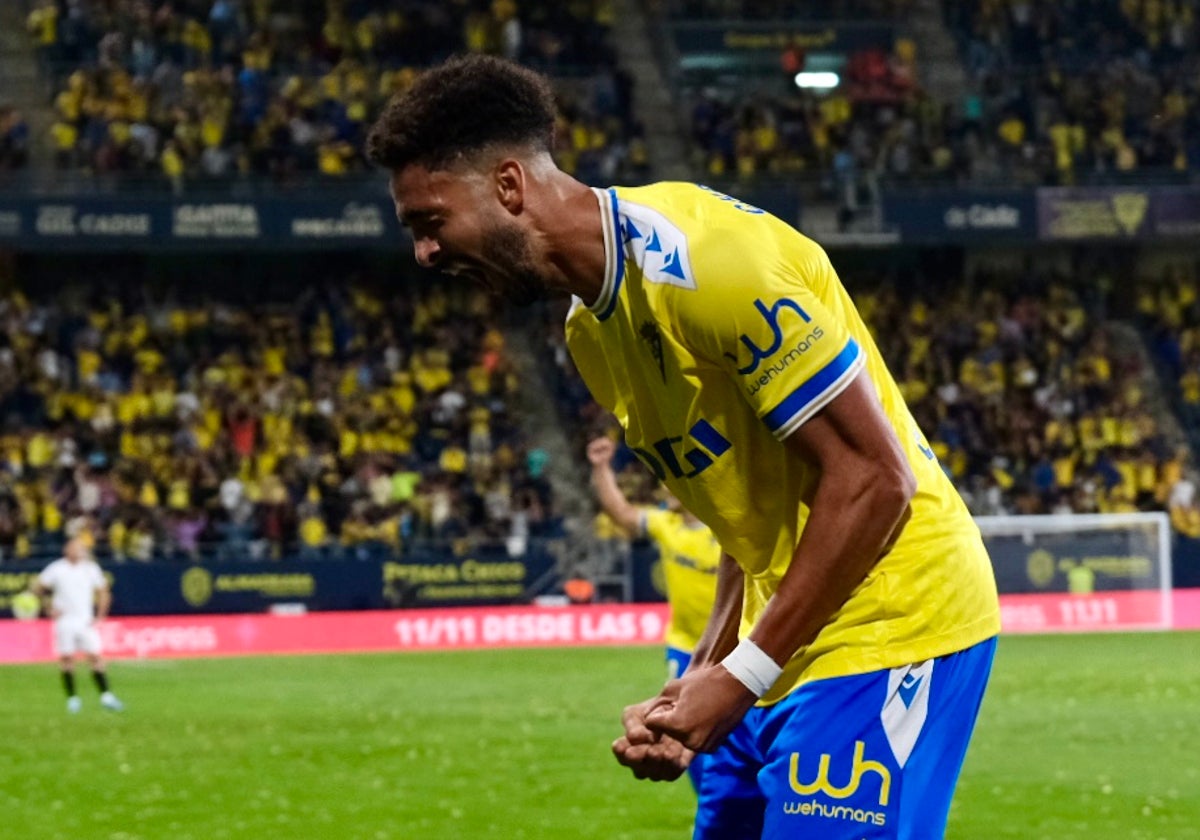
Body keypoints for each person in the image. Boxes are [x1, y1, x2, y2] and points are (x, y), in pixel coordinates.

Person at [366, 54, 1000, 839]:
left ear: (508, 186)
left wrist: (739, 677)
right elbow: (744, 509)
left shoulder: (711, 263)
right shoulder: (589, 335)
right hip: (796, 635)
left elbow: (876, 481)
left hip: (895, 621)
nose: (425, 255)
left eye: (430, 223)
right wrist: (703, 670)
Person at [587, 433, 720, 792]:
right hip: (685, 649)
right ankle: (710, 801)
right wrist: (601, 468)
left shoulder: (728, 530)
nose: (665, 488)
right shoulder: (667, 526)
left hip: (731, 651)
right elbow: (622, 513)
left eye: (672, 483)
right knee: (686, 736)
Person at [30, 538, 124, 713]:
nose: (79, 551)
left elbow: (103, 592)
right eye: (75, 548)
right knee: (67, 659)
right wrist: (48, 607)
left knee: (96, 656)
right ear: (67, 550)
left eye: (81, 548)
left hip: (85, 620)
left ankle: (106, 696)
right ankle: (73, 699)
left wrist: (100, 616)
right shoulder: (57, 568)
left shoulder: (91, 568)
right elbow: (37, 588)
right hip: (64, 621)